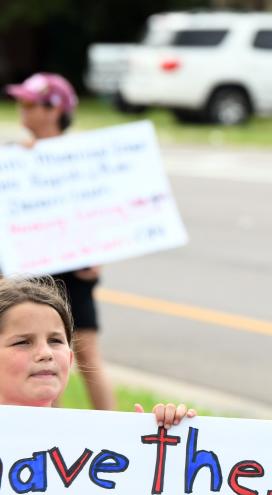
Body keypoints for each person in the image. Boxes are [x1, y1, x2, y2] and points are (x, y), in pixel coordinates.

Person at [5, 73, 116, 411]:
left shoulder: (80, 159)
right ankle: (51, 429)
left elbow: (102, 212)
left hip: (72, 268)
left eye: (29, 102)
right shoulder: (13, 158)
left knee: (85, 354)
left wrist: (96, 257)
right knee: (39, 359)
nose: (21, 109)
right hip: (23, 269)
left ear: (54, 109)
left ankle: (118, 434)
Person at [0, 275, 193, 428]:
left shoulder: (93, 440)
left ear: (70, 357)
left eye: (55, 340)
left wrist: (161, 434)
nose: (45, 353)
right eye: (23, 342)